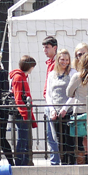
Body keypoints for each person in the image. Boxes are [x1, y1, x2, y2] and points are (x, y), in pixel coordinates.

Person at [46, 48, 75, 165]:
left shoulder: (72, 73)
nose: (65, 62)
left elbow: (74, 94)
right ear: (58, 60)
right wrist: (52, 109)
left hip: (68, 110)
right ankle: (63, 164)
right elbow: (48, 94)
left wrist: (65, 108)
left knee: (69, 139)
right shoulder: (51, 74)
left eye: (67, 60)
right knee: (59, 139)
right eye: (62, 59)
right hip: (55, 111)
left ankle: (71, 164)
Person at [9, 55, 37, 166]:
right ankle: (20, 162)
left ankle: (25, 161)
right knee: (23, 138)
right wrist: (25, 113)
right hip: (22, 113)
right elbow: (18, 97)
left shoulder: (21, 76)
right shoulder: (18, 77)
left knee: (25, 138)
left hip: (24, 111)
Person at [40, 36, 62, 165]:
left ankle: (56, 162)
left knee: (54, 135)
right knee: (50, 135)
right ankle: (55, 160)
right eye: (43, 47)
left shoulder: (56, 63)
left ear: (55, 48)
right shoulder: (50, 63)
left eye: (47, 47)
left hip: (54, 103)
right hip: (49, 101)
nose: (44, 50)